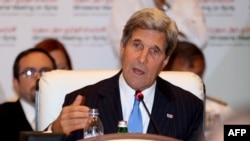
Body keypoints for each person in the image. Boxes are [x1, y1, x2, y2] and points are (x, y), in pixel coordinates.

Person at [49, 8, 205, 141]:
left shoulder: (188, 108)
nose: (142, 59)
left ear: (165, 61)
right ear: (122, 47)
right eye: (137, 45)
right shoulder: (83, 101)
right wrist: (55, 131)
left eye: (154, 51)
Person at [164, 41, 235, 136]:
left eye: (198, 75)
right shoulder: (151, 108)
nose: (192, 81)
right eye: (184, 77)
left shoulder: (219, 110)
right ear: (166, 72)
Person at [107, 0, 208, 57]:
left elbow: (200, 41)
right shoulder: (125, 2)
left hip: (177, 74)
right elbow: (121, 46)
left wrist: (164, 7)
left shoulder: (188, 2)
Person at [0, 48, 56, 141]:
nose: (39, 77)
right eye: (29, 72)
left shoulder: (66, 115)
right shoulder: (2, 116)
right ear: (16, 83)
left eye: (45, 71)